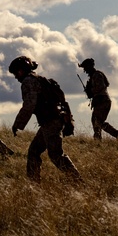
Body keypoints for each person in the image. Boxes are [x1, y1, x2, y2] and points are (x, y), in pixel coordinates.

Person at [8, 56, 81, 184]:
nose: (16, 76)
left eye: (17, 72)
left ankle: (78, 182)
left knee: (56, 155)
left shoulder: (28, 82)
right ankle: (33, 185)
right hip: (52, 121)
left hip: (50, 122)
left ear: (23, 70)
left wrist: (17, 124)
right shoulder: (41, 80)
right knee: (34, 151)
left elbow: (29, 105)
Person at [78, 58, 118, 140]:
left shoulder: (97, 75)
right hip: (100, 101)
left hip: (102, 101)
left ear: (89, 66)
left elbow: (100, 87)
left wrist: (91, 91)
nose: (85, 70)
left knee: (97, 122)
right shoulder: (94, 76)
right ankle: (114, 135)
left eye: (85, 68)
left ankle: (102, 138)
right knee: (97, 121)